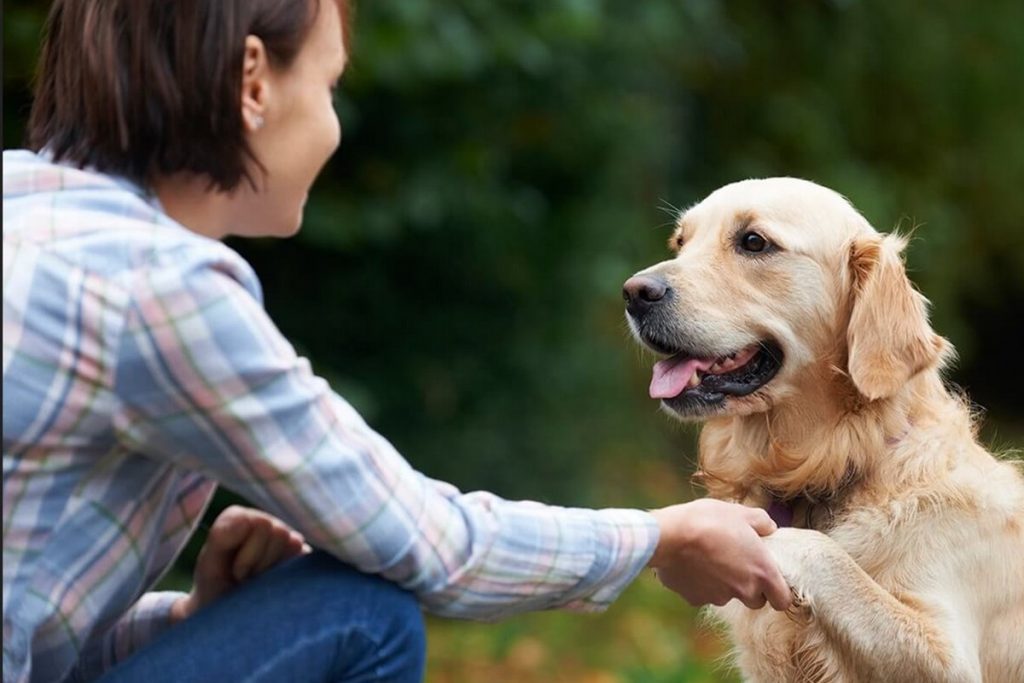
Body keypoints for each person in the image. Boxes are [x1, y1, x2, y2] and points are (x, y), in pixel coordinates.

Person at [1, 1, 792, 681]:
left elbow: (30, 627)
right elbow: (432, 544)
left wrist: (192, 622)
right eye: (328, 84)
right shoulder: (159, 287)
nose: (333, 126)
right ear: (252, 81)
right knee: (359, 610)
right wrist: (660, 534)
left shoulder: (23, 208)